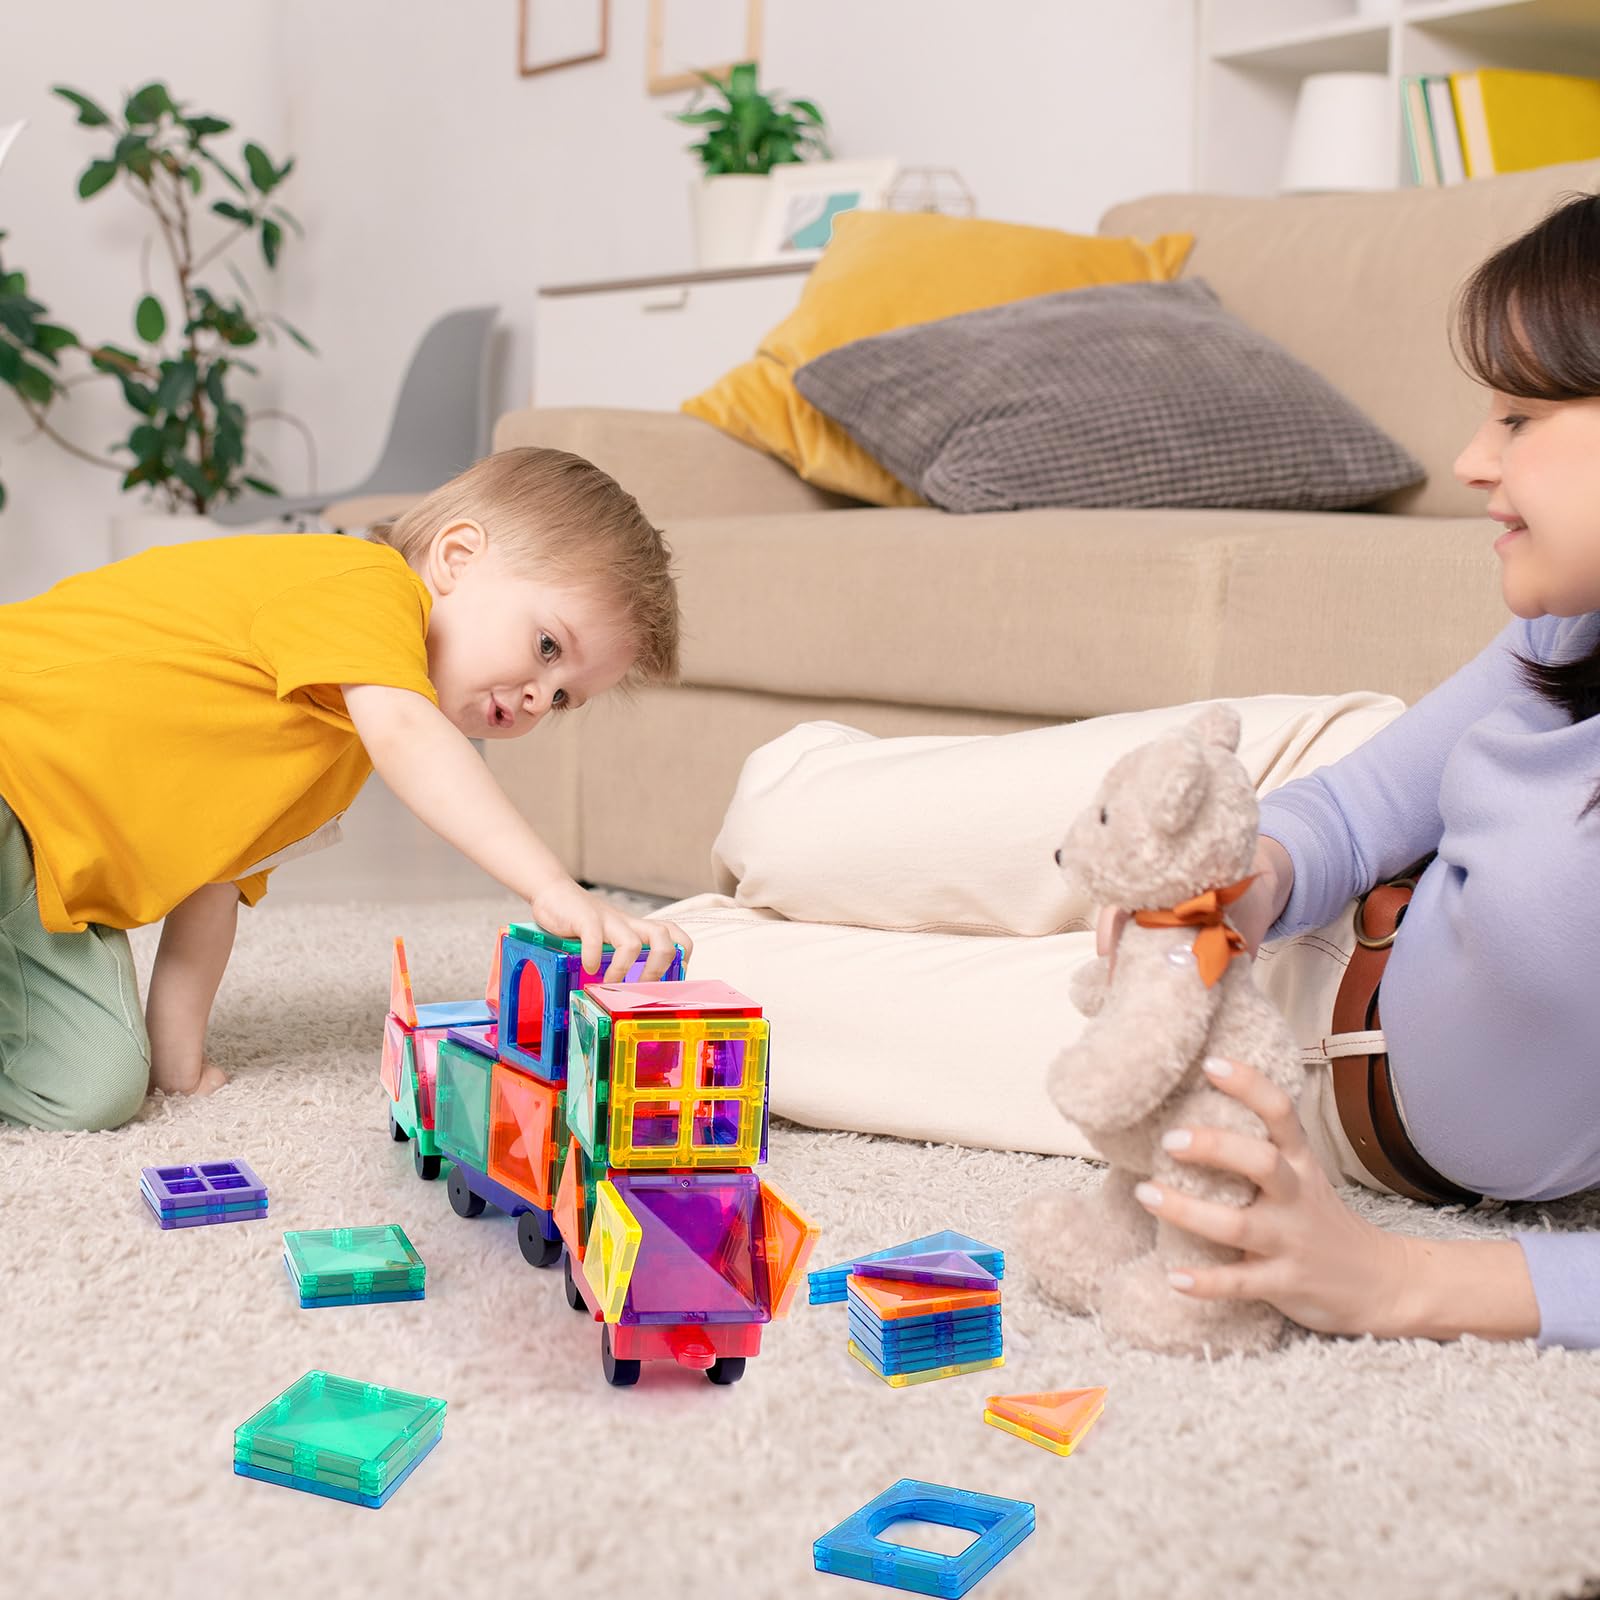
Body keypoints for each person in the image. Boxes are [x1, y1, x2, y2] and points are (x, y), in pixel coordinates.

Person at [1099, 190, 1600, 1350]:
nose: (1473, 460)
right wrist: (1248, 875)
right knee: (804, 822)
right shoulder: (1568, 627)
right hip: (1299, 879)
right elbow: (1363, 801)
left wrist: (1400, 1283)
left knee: (790, 987)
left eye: (1521, 415)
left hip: (1301, 1067)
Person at [0, 446, 690, 1132]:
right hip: (15, 761)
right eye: (547, 646)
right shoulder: (366, 586)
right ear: (456, 559)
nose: (542, 697)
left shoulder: (334, 741)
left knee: (95, 1089)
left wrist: (175, 1063)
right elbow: (410, 734)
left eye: (566, 696)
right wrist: (553, 886)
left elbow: (215, 884)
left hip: (48, 873)